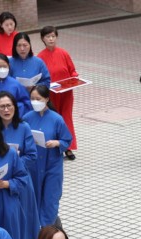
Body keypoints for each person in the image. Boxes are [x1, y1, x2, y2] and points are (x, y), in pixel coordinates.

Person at [0, 90, 41, 239]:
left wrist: (14, 161)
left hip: (19, 178)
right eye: (2, 107)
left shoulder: (24, 127)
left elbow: (32, 155)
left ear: (15, 107)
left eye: (9, 106)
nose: (6, 110)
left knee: (23, 214)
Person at [25, 86, 73, 227]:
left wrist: (56, 143)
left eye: (38, 99)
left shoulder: (56, 119)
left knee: (50, 197)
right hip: (33, 165)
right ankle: (35, 226)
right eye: (32, 99)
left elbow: (66, 139)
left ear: (46, 99)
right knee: (34, 196)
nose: (35, 102)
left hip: (52, 164)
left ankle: (47, 227)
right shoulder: (27, 118)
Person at [38, 26, 79, 159]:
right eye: (48, 36)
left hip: (66, 93)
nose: (51, 39)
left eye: (53, 36)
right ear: (43, 39)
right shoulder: (40, 57)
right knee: (54, 119)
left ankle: (68, 147)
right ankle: (55, 147)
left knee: (66, 117)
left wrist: (75, 77)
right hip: (51, 94)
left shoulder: (63, 53)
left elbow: (72, 70)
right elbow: (40, 76)